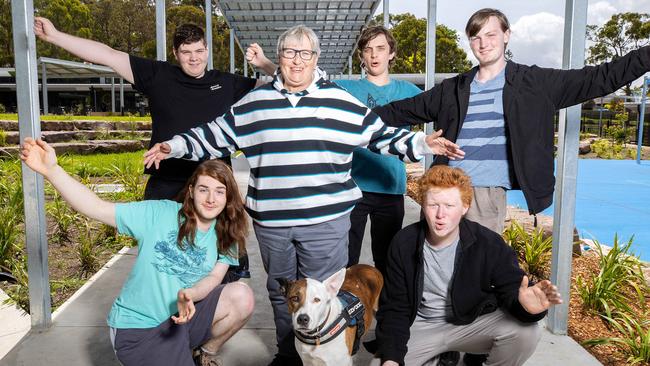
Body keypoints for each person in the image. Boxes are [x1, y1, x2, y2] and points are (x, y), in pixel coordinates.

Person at [144, 25, 464, 366]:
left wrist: (420, 143)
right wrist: (173, 145)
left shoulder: (340, 101)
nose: (297, 61)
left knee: (324, 296)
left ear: (316, 58)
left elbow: (380, 135)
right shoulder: (254, 103)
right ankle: (288, 354)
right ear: (279, 56)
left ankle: (326, 355)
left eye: (305, 53)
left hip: (325, 224)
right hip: (273, 224)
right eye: (290, 52)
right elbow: (213, 135)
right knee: (282, 294)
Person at [371, 8, 650, 235]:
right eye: (476, 37)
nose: (483, 43)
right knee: (432, 266)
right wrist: (348, 117)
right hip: (445, 188)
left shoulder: (534, 83)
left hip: (485, 194)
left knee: (475, 271)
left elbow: (601, 77)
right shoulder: (453, 89)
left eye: (491, 34)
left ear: (507, 35)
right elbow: (400, 111)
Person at [34, 17, 263, 280]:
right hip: (167, 178)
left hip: (215, 182)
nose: (194, 58)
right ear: (176, 54)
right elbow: (108, 55)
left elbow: (276, 87)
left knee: (224, 255)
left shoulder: (227, 83)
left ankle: (219, 300)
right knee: (160, 252)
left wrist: (264, 63)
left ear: (207, 51)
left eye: (199, 51)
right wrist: (55, 36)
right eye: (186, 52)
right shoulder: (158, 75)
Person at [20, 138, 254, 366]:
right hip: (138, 329)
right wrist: (52, 171)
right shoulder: (159, 214)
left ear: (228, 196)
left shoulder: (227, 231)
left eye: (219, 191)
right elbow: (97, 207)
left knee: (241, 296)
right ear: (191, 191)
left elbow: (214, 277)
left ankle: (204, 353)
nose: (211, 199)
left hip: (183, 318)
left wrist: (191, 294)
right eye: (204, 189)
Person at [247, 26, 422, 276]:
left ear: (391, 53)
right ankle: (344, 312)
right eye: (368, 49)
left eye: (381, 49)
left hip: (391, 188)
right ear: (361, 55)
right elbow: (300, 78)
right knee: (344, 263)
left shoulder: (409, 92)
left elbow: (441, 106)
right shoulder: (344, 89)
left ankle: (385, 312)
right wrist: (264, 63)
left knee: (388, 259)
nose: (374, 55)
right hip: (352, 189)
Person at [373, 165, 562, 366]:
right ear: (422, 204)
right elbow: (395, 307)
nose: (440, 214)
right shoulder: (404, 242)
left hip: (469, 322)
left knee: (527, 332)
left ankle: (473, 360)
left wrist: (526, 308)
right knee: (382, 363)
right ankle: (436, 357)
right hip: (421, 326)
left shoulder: (488, 243)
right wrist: (391, 358)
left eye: (449, 205)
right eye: (433, 205)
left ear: (465, 207)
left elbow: (511, 287)